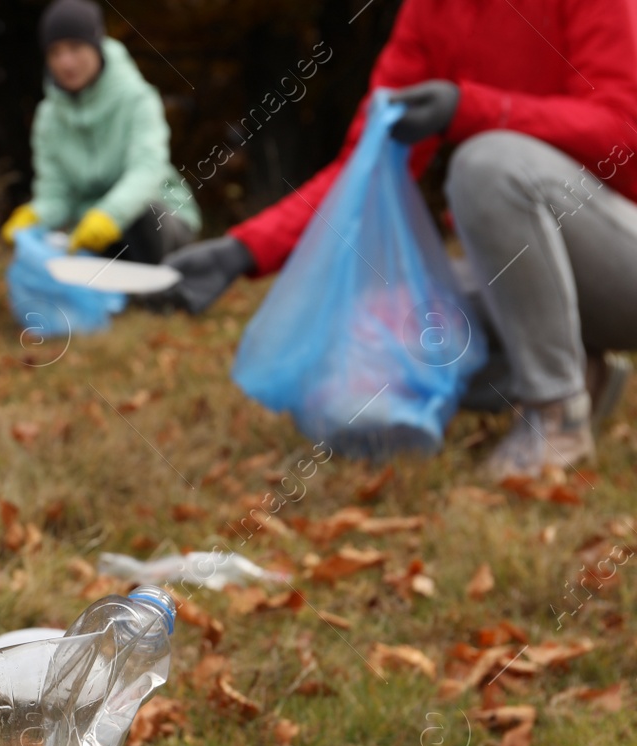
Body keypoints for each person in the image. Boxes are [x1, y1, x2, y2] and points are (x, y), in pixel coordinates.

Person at [157, 0, 637, 481]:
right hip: (529, 274)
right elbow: (363, 167)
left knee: (486, 164)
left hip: (621, 253)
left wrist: (472, 108)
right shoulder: (429, 11)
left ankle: (556, 410)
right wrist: (243, 250)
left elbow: (624, 127)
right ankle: (581, 368)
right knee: (382, 336)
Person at [0, 0, 200, 264]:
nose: (66, 62)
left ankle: (159, 290)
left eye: (75, 47)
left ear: (97, 45)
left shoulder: (138, 99)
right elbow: (55, 193)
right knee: (58, 245)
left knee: (141, 218)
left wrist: (110, 214)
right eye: (55, 52)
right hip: (91, 229)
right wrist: (36, 215)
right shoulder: (47, 119)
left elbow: (148, 170)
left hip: (159, 218)